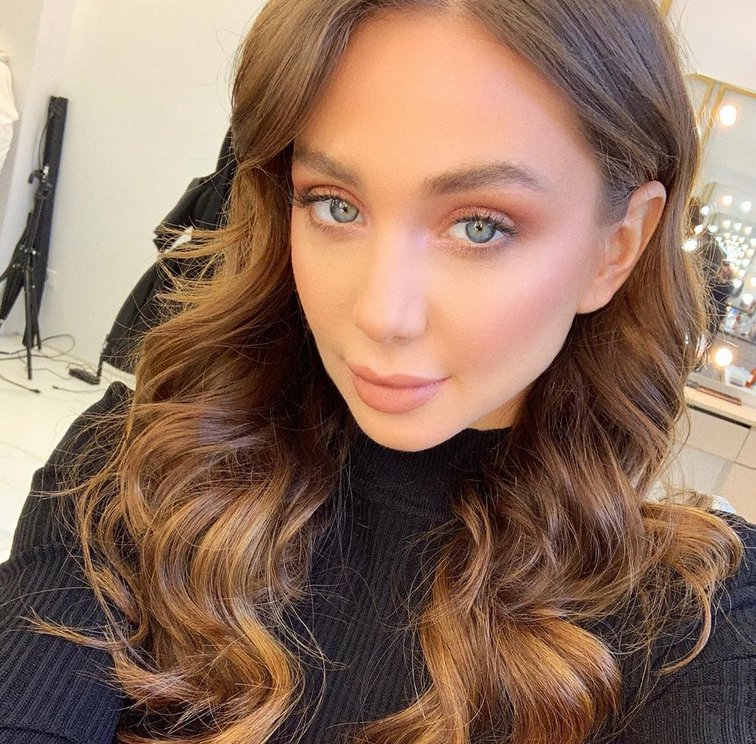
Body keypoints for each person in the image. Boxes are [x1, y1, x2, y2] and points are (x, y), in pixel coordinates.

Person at [1, 1, 754, 743]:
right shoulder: (130, 474)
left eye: (480, 226)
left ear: (617, 247)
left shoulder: (699, 624)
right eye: (335, 206)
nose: (381, 314)